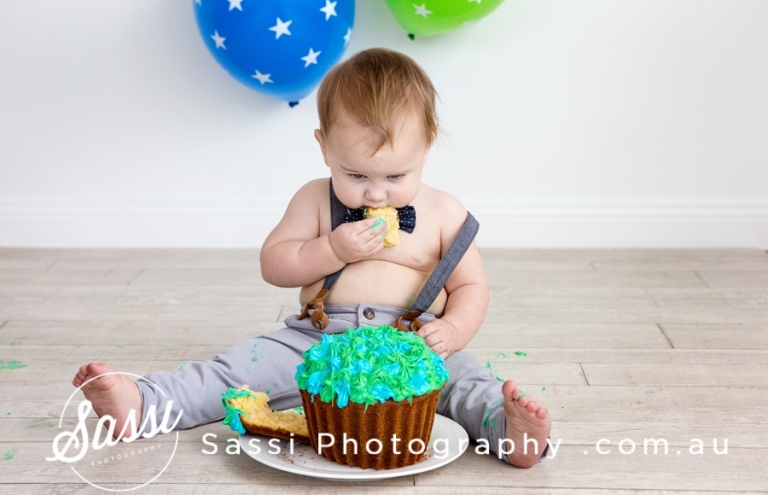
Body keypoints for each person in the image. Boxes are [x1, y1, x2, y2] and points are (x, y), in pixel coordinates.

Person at [73, 48, 551, 468]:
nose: (376, 191)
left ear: (428, 145)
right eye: (356, 174)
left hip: (416, 347)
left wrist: (454, 331)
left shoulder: (445, 211)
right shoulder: (314, 199)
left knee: (468, 383)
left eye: (396, 175)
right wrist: (330, 249)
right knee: (236, 369)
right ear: (324, 148)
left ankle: (511, 433)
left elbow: (471, 286)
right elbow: (274, 263)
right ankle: (144, 403)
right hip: (318, 338)